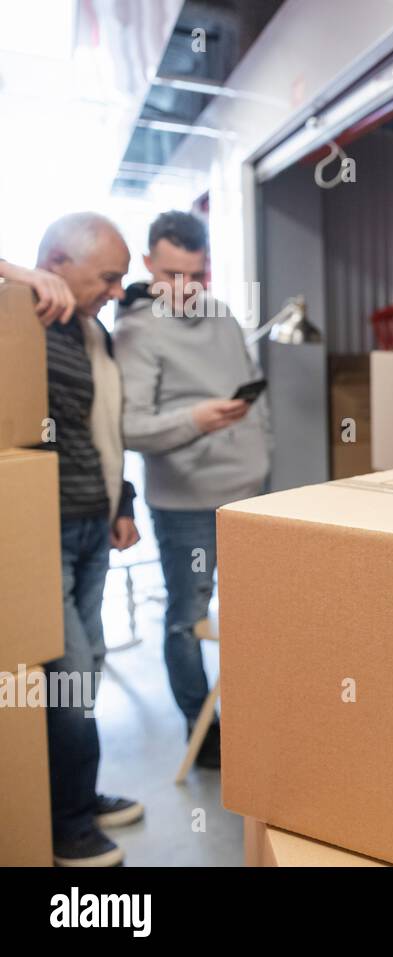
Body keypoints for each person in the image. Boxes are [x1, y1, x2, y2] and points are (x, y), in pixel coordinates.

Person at [0, 214, 145, 866]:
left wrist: (121, 501)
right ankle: (62, 823)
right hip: (38, 534)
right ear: (56, 260)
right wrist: (15, 274)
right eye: (108, 277)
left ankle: (77, 796)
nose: (117, 290)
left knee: (84, 670)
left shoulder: (92, 331)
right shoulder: (16, 316)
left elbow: (100, 429)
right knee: (68, 677)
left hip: (91, 522)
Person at [114, 210, 272, 768]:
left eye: (196, 276)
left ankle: (258, 718)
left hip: (250, 495)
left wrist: (263, 448)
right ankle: (203, 737)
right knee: (188, 617)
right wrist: (194, 420)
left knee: (258, 614)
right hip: (186, 508)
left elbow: (254, 392)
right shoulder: (135, 332)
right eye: (172, 275)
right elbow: (128, 427)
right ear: (150, 264)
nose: (185, 288)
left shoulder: (224, 318)